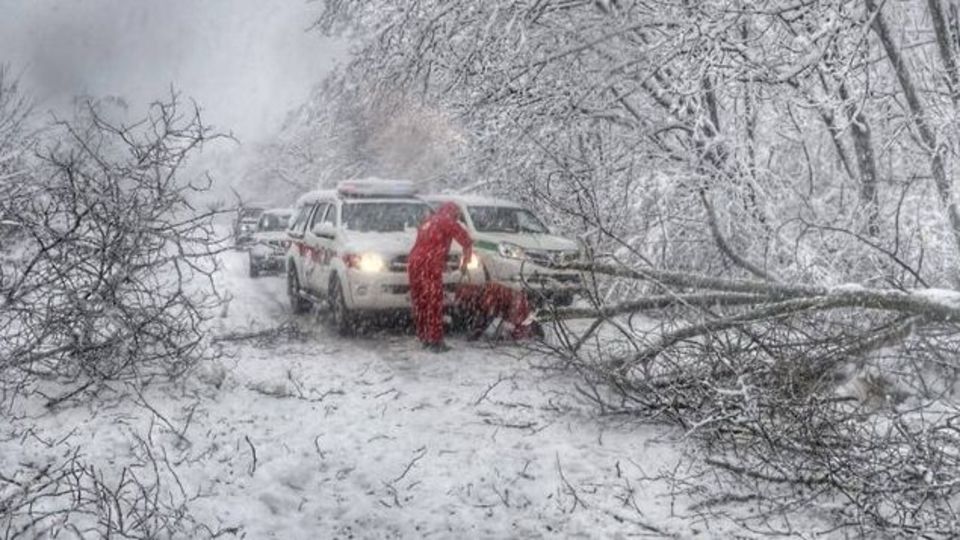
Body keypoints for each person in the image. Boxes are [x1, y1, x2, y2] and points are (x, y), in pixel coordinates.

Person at [408, 202, 473, 352]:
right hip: (429, 264)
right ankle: (435, 340)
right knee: (434, 302)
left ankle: (424, 336)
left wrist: (442, 263)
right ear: (454, 213)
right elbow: (467, 242)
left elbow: (427, 244)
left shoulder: (428, 221)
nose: (457, 219)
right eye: (457, 216)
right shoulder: (447, 221)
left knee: (420, 301)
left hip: (414, 263)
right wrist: (465, 262)